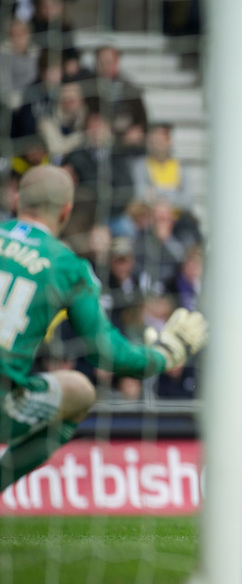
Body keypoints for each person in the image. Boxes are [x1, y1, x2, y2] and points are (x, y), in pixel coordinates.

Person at [0, 165, 206, 493]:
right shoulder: (67, 265)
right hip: (3, 405)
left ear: (15, 200)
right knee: (81, 392)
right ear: (66, 211)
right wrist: (163, 355)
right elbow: (108, 355)